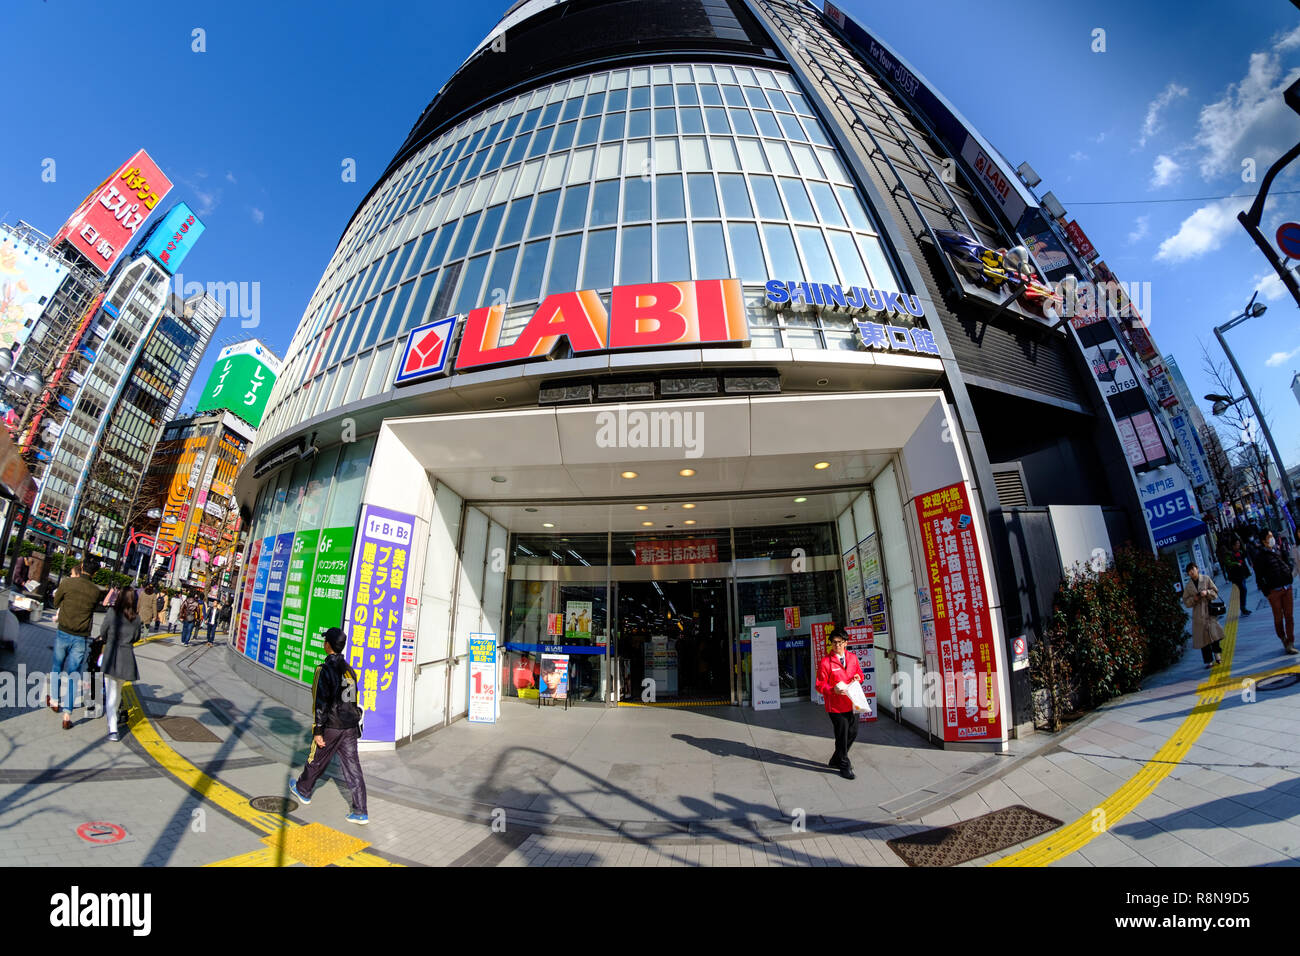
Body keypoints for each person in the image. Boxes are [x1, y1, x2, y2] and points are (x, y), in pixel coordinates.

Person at [288, 627, 368, 825]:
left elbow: (320, 703)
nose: (324, 644)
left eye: (325, 641)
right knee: (353, 767)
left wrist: (317, 730)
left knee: (316, 758)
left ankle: (303, 790)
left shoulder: (323, 670)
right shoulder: (350, 670)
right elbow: (352, 700)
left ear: (329, 645)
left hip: (332, 725)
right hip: (349, 726)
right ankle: (360, 811)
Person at [50, 561, 104, 729]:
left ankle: (54, 700)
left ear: (81, 569)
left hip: (63, 631)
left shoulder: (67, 583)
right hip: (80, 637)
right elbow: (93, 609)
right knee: (74, 674)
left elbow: (55, 603)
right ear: (94, 574)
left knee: (57, 666)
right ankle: (67, 715)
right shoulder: (96, 591)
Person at [814, 625, 864, 779]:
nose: (837, 645)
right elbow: (819, 685)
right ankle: (844, 764)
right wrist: (832, 689)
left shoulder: (853, 658)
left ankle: (836, 758)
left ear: (846, 643)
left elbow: (860, 675)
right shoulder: (826, 662)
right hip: (835, 706)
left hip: (853, 702)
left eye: (840, 642)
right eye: (834, 642)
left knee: (853, 732)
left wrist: (858, 678)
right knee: (842, 735)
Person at [99, 588, 142, 742]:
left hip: (112, 654)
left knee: (111, 692)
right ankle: (114, 720)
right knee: (116, 691)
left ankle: (113, 729)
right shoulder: (136, 618)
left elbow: (103, 632)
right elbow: (136, 637)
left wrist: (109, 640)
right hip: (126, 657)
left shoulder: (112, 613)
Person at [1255, 531, 1296, 655]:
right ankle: (1283, 638)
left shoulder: (1277, 550)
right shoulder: (1260, 556)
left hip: (1287, 587)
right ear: (1264, 541)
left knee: (1289, 616)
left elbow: (1286, 563)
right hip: (1274, 591)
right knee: (1278, 618)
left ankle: (1290, 642)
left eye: (1272, 536)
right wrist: (1267, 592)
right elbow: (1259, 577)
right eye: (1269, 537)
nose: (1272, 538)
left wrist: (1289, 576)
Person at [1182, 564, 1227, 667]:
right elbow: (1186, 601)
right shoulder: (1188, 586)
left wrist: (1207, 592)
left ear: (1197, 569)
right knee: (1203, 639)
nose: (1191, 572)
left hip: (1209, 611)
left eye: (1193, 569)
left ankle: (1217, 655)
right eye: (1189, 571)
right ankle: (1208, 661)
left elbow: (1215, 592)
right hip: (1198, 614)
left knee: (1214, 635)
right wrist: (1194, 599)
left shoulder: (1206, 578)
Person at [1219, 534, 1253, 616]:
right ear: (1233, 545)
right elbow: (1228, 563)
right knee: (1243, 589)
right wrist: (1236, 564)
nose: (1238, 545)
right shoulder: (1229, 554)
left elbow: (1245, 554)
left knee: (1243, 590)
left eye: (1239, 544)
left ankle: (1243, 607)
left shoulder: (1239, 552)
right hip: (1236, 576)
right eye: (1237, 544)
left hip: (1242, 574)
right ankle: (1243, 608)